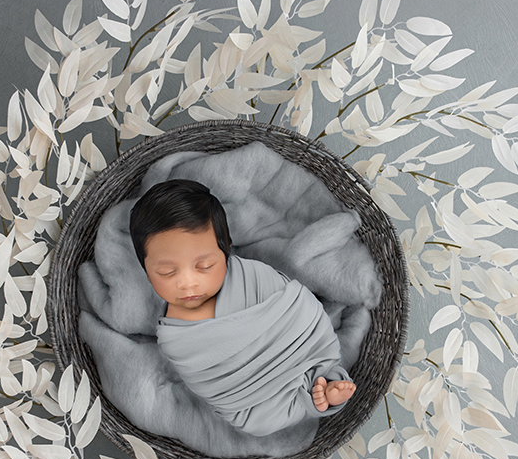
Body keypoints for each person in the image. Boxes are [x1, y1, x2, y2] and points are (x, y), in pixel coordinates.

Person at [129, 178, 355, 436]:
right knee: (258, 423)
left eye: (204, 266)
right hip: (254, 402)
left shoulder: (250, 276)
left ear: (226, 249)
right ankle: (316, 394)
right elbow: (218, 390)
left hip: (302, 349)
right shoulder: (174, 339)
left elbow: (294, 307)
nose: (187, 283)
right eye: (167, 272)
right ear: (147, 272)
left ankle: (325, 381)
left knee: (320, 364)